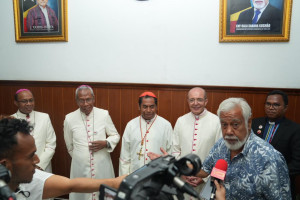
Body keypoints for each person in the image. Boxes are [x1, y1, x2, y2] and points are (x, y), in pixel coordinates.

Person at [0, 117, 124, 200]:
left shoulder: (32, 178)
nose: (37, 160)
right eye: (30, 156)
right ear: (5, 165)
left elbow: (71, 185)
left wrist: (114, 183)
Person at [197, 97, 291, 199]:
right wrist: (185, 167)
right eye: (224, 125)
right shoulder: (221, 145)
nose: (228, 131)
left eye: (235, 124)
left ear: (248, 123)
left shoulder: (270, 159)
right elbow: (205, 170)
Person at [64, 85, 120, 200]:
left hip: (102, 165)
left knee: (104, 194)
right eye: (81, 100)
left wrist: (105, 143)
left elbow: (115, 135)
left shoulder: (104, 114)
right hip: (80, 168)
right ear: (77, 101)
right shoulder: (69, 118)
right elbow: (69, 145)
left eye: (88, 99)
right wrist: (81, 157)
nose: (85, 104)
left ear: (93, 99)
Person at [172, 87, 222, 197]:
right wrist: (182, 173)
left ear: (206, 101)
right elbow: (175, 151)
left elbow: (221, 156)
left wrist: (205, 177)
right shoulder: (181, 121)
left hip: (207, 183)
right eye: (192, 100)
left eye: (199, 99)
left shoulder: (217, 122)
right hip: (183, 181)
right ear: (187, 101)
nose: (195, 103)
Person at [252, 90, 300, 200]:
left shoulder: (295, 129)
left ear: (285, 107)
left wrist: (272, 174)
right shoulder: (255, 123)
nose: (271, 107)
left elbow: (297, 163)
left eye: (276, 105)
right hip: (255, 184)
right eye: (268, 104)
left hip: (280, 185)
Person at [119, 91, 173, 175]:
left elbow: (171, 151)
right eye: (145, 107)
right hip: (135, 173)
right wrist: (124, 177)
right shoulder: (130, 125)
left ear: (156, 107)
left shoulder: (166, 125)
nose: (148, 110)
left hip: (158, 174)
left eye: (152, 107)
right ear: (139, 107)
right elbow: (125, 156)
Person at [12, 89, 56, 173]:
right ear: (16, 103)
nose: (29, 104)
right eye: (24, 101)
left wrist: (40, 164)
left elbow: (51, 143)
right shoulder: (10, 120)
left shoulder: (44, 117)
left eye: (31, 100)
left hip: (43, 166)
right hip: (21, 168)